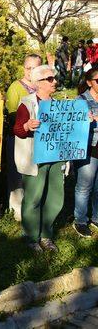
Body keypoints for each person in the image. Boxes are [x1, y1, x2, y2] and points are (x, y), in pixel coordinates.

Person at [13, 65, 65, 252]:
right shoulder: (26, 103)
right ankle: (31, 236)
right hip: (35, 158)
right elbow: (17, 129)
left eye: (54, 78)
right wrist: (27, 125)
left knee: (55, 197)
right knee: (34, 198)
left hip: (56, 156)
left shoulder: (59, 104)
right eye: (50, 79)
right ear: (38, 84)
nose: (55, 82)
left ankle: (46, 234)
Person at [5, 54, 42, 221]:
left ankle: (33, 206)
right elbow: (13, 114)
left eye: (35, 68)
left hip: (38, 138)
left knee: (33, 173)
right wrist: (26, 123)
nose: (31, 71)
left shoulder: (41, 87)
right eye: (29, 68)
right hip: (19, 138)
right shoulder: (15, 87)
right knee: (17, 173)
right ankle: (17, 209)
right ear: (23, 68)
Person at [73, 67, 98, 237]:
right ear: (89, 82)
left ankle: (96, 217)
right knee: (84, 187)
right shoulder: (80, 100)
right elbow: (72, 128)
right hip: (89, 149)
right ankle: (80, 220)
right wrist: (86, 121)